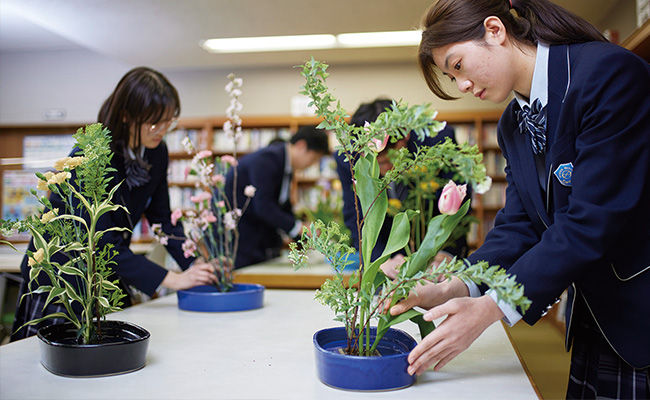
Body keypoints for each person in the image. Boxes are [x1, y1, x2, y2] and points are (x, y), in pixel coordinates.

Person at [388, 0, 650, 397]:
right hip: (597, 314)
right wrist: (457, 287)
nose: (460, 86)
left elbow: (590, 221)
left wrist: (491, 308)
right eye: (450, 77)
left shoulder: (607, 73)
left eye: (458, 66)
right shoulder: (512, 122)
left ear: (495, 30)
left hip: (640, 306)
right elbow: (519, 224)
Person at [11, 67, 218, 341]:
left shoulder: (157, 151)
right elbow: (99, 245)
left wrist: (197, 267)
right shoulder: (91, 155)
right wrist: (172, 278)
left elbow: (162, 222)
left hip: (103, 275)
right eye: (155, 123)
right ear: (126, 115)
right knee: (41, 368)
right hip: (60, 277)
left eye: (169, 121)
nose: (163, 131)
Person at [334, 99, 469, 271]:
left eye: (389, 160)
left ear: (405, 135)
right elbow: (355, 215)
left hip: (436, 251)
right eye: (377, 163)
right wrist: (380, 261)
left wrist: (445, 253)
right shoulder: (348, 159)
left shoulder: (438, 141)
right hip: (387, 256)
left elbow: (459, 200)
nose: (384, 171)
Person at [225, 125, 330, 268]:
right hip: (243, 244)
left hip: (260, 242)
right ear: (301, 146)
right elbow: (264, 206)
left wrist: (302, 237)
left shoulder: (285, 165)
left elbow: (283, 207)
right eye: (314, 158)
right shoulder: (268, 160)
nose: (313, 164)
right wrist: (298, 227)